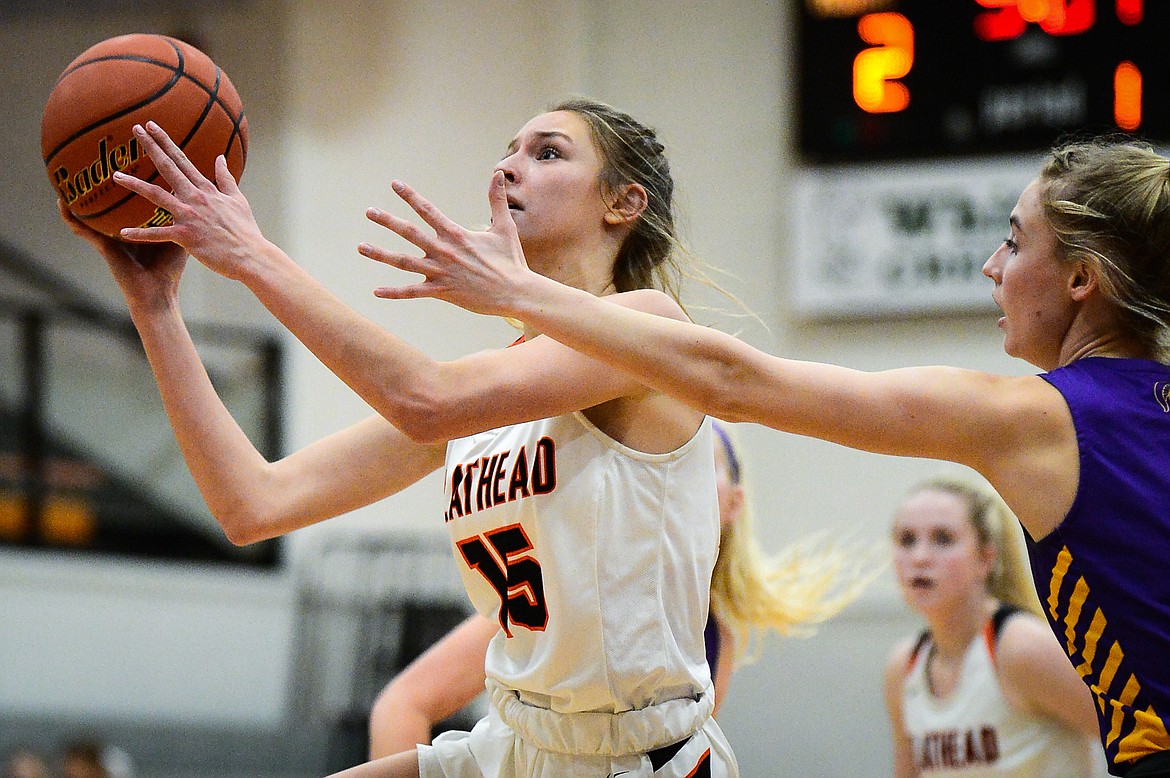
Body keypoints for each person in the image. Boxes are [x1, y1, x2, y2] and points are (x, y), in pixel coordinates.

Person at [366, 136, 1170, 776]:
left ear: (1080, 281)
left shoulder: (1040, 417)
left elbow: (732, 378)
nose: (993, 266)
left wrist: (514, 289)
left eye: (1013, 240)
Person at [60, 100, 739, 778]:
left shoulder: (648, 328)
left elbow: (424, 399)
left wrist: (252, 256)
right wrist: (156, 306)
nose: (508, 166)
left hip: (633, 759)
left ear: (623, 202)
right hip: (521, 744)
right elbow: (252, 505)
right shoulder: (500, 389)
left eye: (548, 152)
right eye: (509, 148)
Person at [368, 419, 867, 759]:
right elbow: (402, 705)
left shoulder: (719, 633)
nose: (677, 476)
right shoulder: (573, 592)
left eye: (697, 464)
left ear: (733, 503)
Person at [883, 476, 1101, 776]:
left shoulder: (1020, 647)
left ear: (986, 558)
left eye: (943, 538)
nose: (919, 557)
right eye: (907, 540)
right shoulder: (903, 668)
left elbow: (1140, 739)